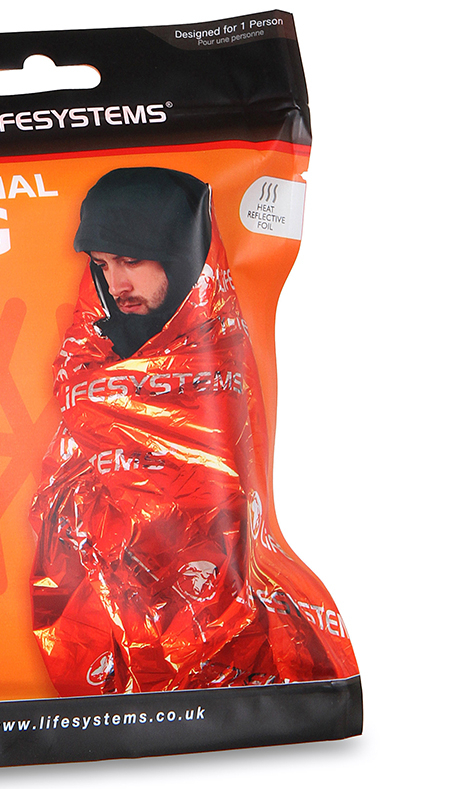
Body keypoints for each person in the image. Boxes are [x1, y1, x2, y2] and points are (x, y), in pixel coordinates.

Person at [30, 167, 358, 696]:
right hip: (112, 615)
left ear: (177, 253)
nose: (116, 285)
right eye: (103, 264)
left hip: (220, 600)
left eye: (131, 260)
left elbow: (220, 497)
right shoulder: (87, 364)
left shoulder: (219, 358)